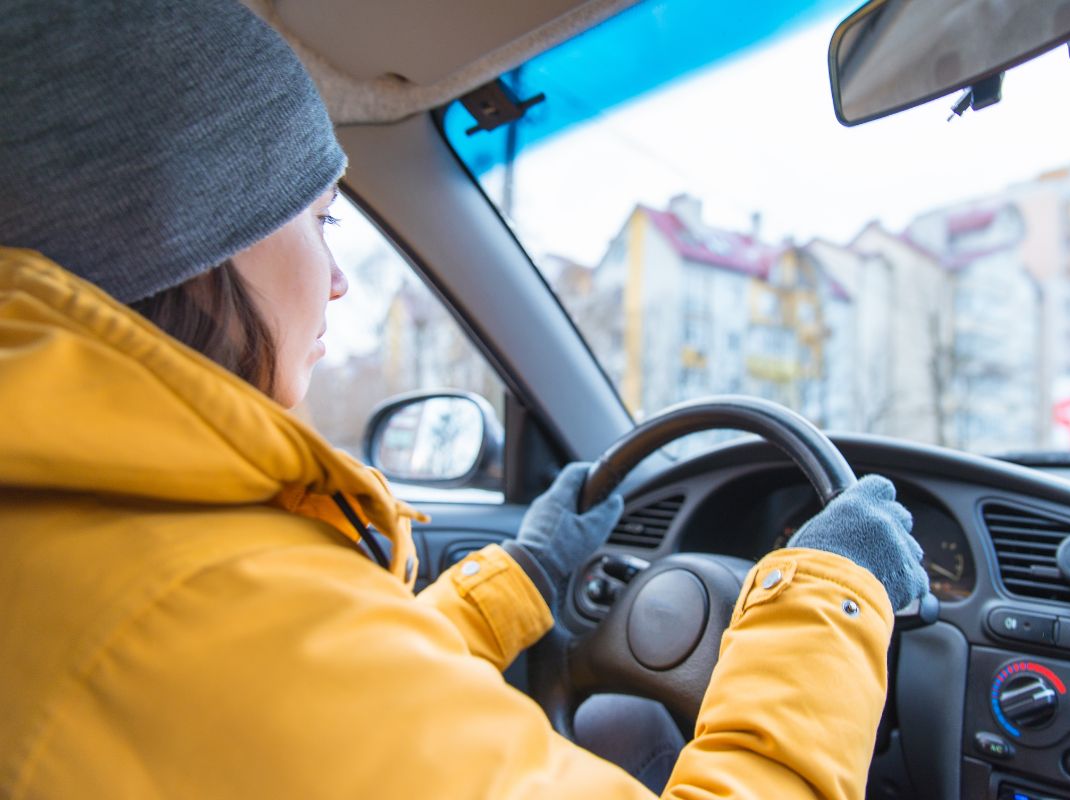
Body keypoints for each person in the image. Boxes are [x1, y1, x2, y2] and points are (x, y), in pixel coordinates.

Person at [0, 1, 929, 797]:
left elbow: (349, 711)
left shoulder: (93, 555)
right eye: (321, 220)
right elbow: (306, 691)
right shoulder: (199, 604)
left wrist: (522, 576)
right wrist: (834, 604)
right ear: (192, 232)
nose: (335, 282)